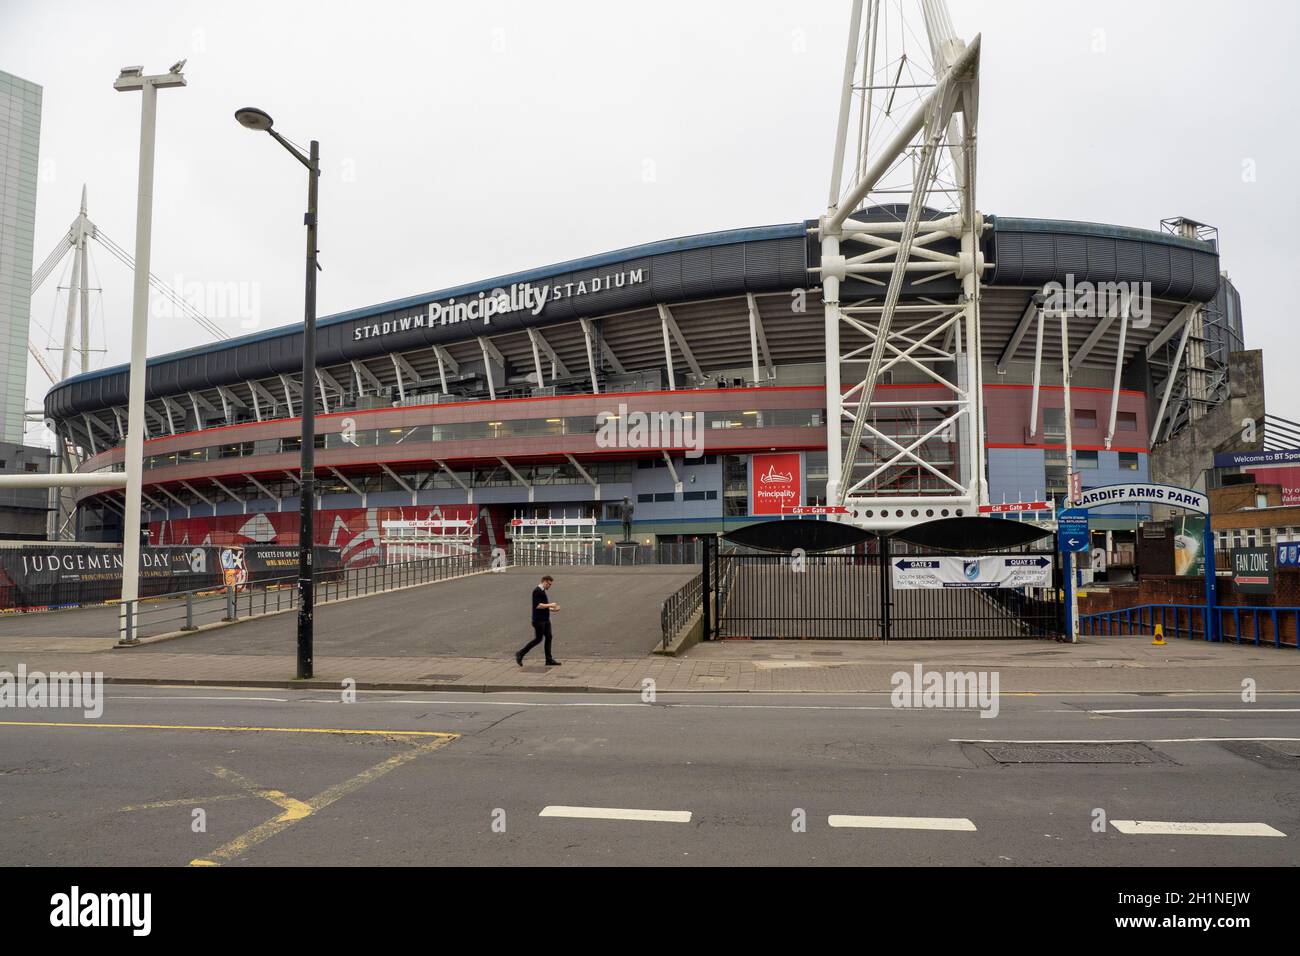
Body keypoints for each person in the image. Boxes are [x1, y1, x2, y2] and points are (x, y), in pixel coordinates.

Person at [516, 574, 561, 666]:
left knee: (549, 637)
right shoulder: (537, 591)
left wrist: (552, 609)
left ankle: (549, 660)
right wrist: (551, 604)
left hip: (545, 620)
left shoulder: (542, 590)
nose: (550, 586)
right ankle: (520, 653)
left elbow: (543, 606)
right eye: (549, 584)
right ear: (544, 581)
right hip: (538, 620)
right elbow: (538, 605)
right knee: (538, 639)